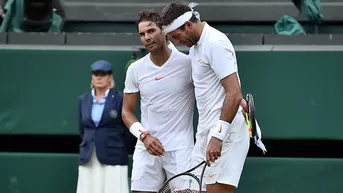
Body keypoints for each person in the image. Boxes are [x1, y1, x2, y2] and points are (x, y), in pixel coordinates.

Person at [160, 2, 250, 193]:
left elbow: (234, 93)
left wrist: (218, 136)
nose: (176, 42)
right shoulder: (195, 46)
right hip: (206, 131)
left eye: (177, 36)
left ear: (189, 25)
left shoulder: (215, 42)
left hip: (226, 132)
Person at [122, 10, 195, 193]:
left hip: (181, 150)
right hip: (146, 148)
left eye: (151, 31)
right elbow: (126, 111)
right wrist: (144, 136)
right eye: (142, 34)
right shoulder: (135, 70)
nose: (146, 37)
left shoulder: (188, 64)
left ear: (163, 30)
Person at [76, 60, 129, 193]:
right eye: (95, 74)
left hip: (114, 154)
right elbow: (82, 128)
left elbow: (127, 128)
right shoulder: (83, 99)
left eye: (103, 74)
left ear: (110, 77)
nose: (98, 77)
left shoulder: (120, 98)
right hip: (89, 155)